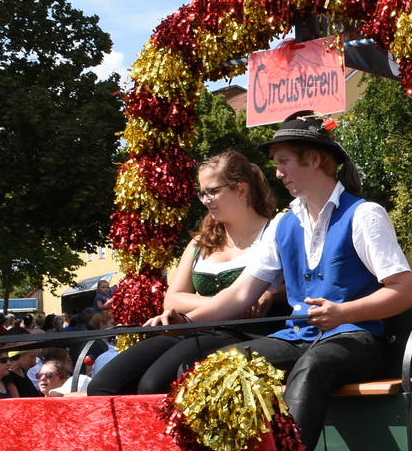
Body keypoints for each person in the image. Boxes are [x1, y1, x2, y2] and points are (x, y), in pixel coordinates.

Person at [151, 115, 412, 451]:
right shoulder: (282, 223)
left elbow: (404, 292)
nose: (277, 173)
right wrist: (185, 324)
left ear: (314, 159)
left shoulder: (364, 214)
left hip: (358, 338)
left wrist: (343, 312)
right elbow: (241, 294)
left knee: (313, 368)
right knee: (213, 368)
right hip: (299, 339)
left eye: (283, 162)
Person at [93, 155, 284, 397]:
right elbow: (172, 300)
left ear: (242, 189)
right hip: (194, 328)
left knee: (154, 385)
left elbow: (299, 286)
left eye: (212, 191)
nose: (205, 201)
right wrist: (225, 305)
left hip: (247, 336)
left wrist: (272, 293)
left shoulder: (276, 232)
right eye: (202, 193)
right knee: (102, 385)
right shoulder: (199, 243)